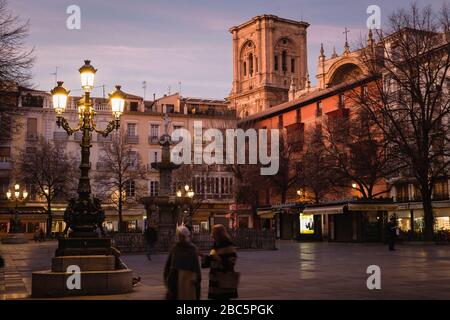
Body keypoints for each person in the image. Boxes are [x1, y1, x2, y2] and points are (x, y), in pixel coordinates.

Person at [201, 224, 239, 300]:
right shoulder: (215, 245)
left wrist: (219, 259)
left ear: (220, 234)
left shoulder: (228, 246)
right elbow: (211, 260)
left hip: (224, 279)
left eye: (214, 233)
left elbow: (231, 263)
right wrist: (203, 257)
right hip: (215, 280)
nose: (212, 235)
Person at [164, 225, 201, 300]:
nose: (180, 238)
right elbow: (168, 266)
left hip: (189, 281)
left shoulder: (192, 249)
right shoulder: (175, 248)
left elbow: (196, 267)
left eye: (182, 236)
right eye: (179, 236)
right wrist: (168, 279)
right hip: (176, 279)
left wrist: (197, 280)